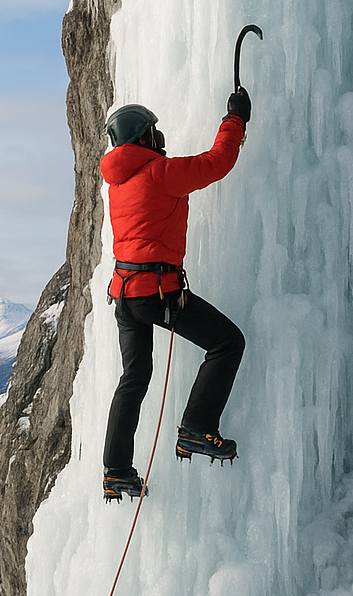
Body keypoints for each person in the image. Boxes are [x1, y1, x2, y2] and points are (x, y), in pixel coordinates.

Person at [100, 90, 250, 502]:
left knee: (134, 377)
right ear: (145, 139)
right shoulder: (159, 173)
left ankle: (116, 470)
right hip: (157, 293)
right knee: (227, 342)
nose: (161, 138)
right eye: (155, 132)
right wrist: (234, 121)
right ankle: (197, 427)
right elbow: (216, 163)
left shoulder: (117, 183)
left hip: (126, 296)